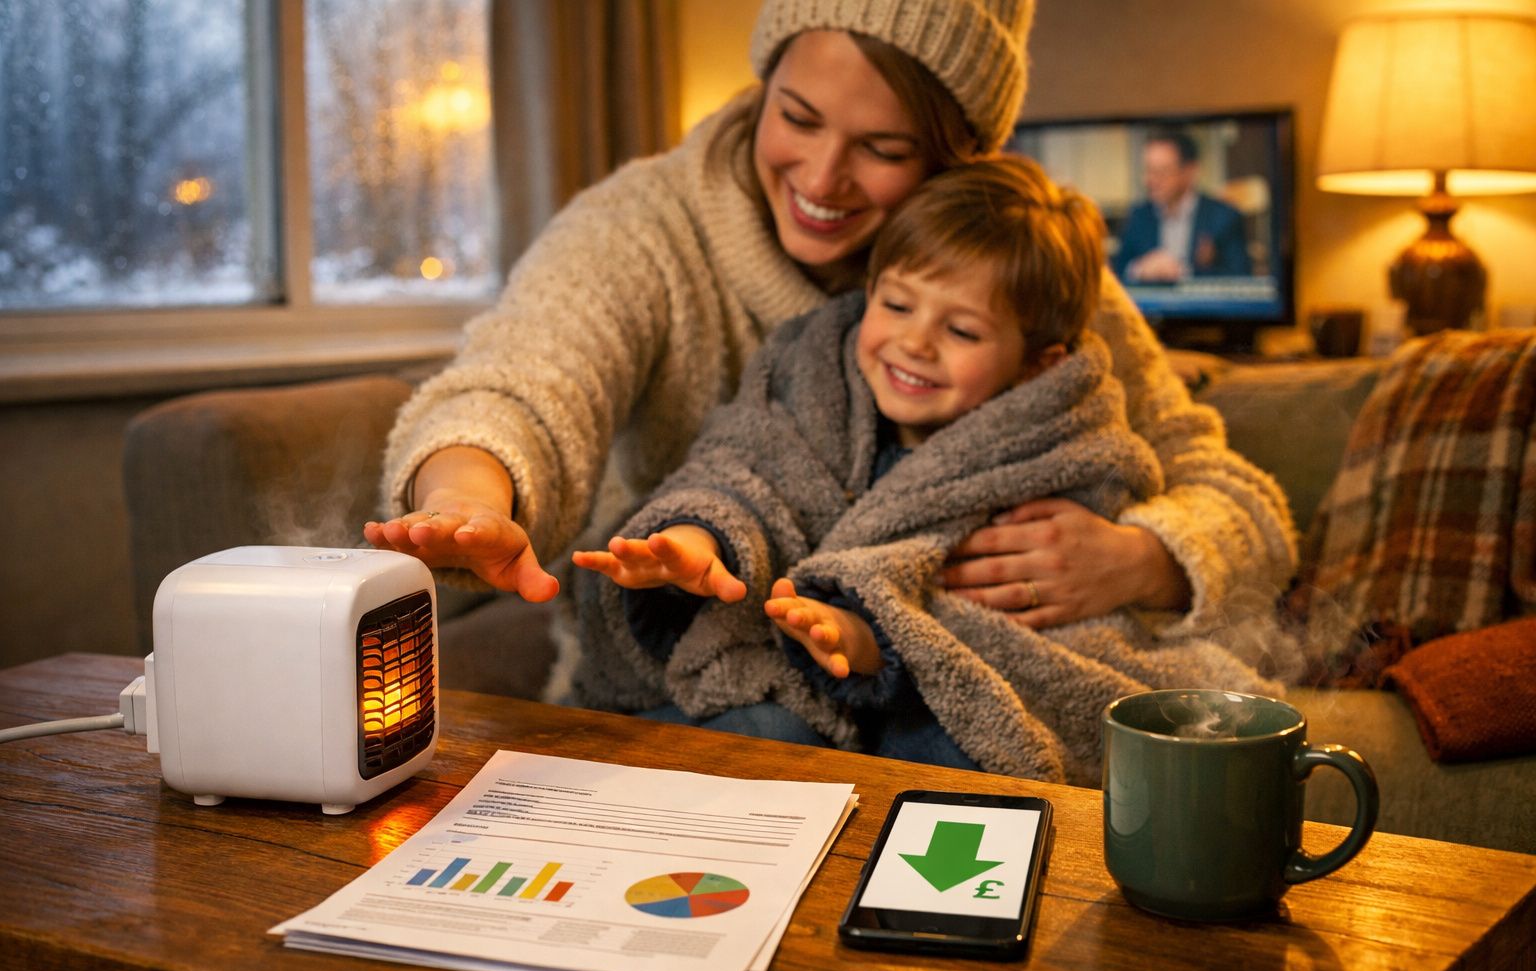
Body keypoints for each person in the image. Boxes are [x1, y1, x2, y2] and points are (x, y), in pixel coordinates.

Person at [363, 0, 1296, 718]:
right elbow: (521, 387)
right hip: (694, 701)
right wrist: (465, 501)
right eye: (797, 117)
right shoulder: (641, 229)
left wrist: (1144, 560)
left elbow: (1229, 492)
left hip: (950, 711)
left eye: (881, 148)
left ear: (961, 156)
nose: (820, 179)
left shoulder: (1025, 265)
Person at [570, 156, 1284, 780]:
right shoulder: (814, 377)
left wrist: (875, 638)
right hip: (794, 684)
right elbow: (742, 472)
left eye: (963, 330)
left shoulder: (1063, 447)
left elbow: (1034, 637)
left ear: (1040, 362)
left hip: (939, 704)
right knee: (760, 735)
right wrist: (699, 540)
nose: (914, 342)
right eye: (898, 303)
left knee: (956, 755)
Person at [1112, 130, 1252, 283]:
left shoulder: (1223, 216)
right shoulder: (1138, 216)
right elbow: (1117, 271)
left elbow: (1241, 278)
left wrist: (1182, 273)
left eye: (1161, 171)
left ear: (1190, 171)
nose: (1150, 180)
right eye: (1148, 171)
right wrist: (1139, 269)